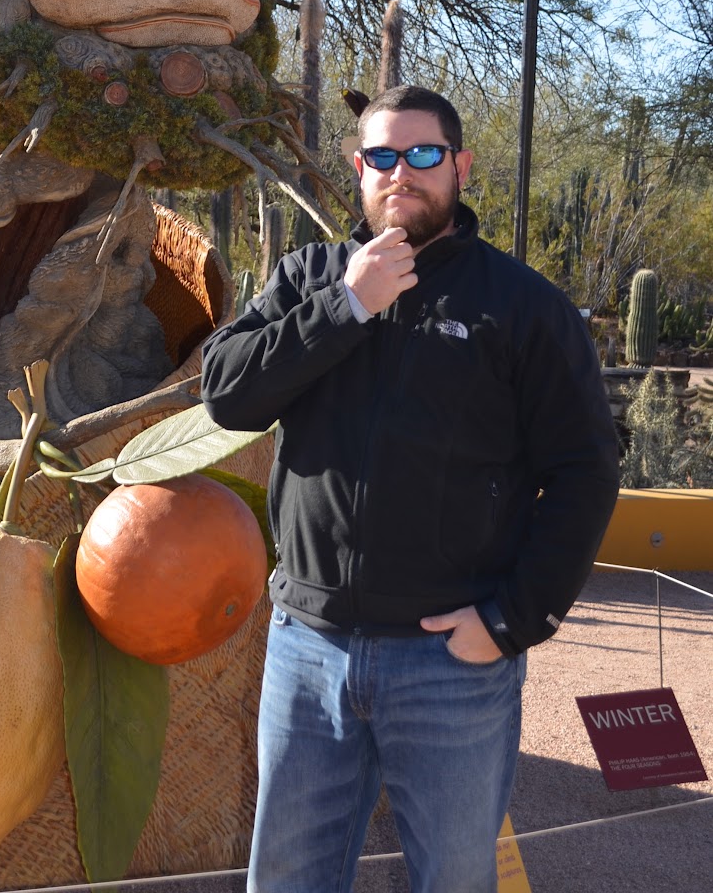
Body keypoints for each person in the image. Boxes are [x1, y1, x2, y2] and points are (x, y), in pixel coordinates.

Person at [201, 84, 620, 893]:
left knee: (453, 881)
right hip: (307, 648)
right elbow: (226, 394)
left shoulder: (523, 307)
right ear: (360, 170)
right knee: (286, 880)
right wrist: (346, 306)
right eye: (383, 156)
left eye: (424, 154)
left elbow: (585, 471)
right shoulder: (310, 277)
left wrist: (511, 620)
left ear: (460, 166)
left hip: (450, 662)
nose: (403, 172)